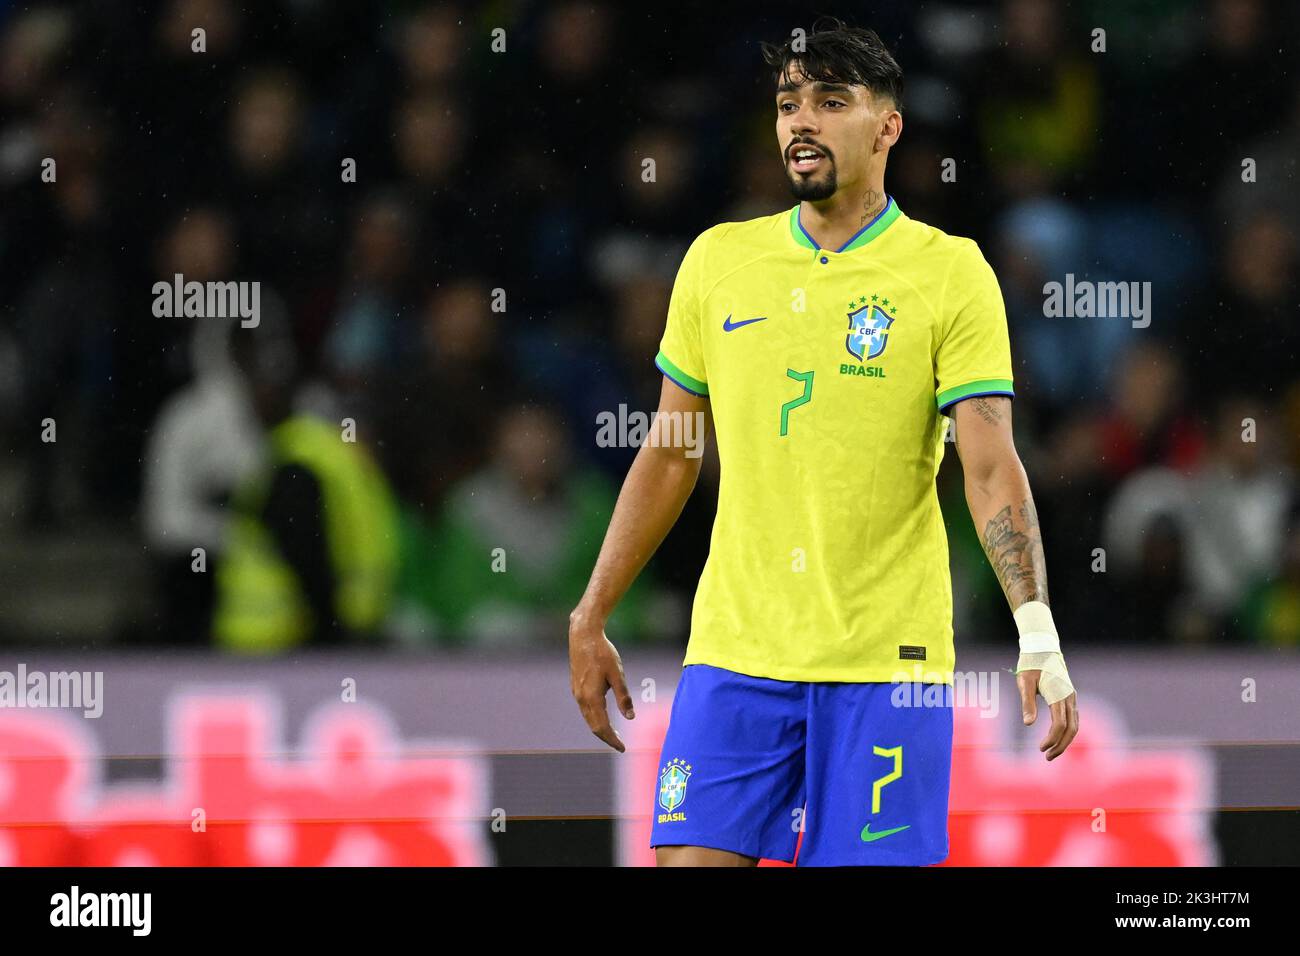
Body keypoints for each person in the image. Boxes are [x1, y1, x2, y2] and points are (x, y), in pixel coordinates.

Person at [567, 18, 1079, 867]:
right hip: (736, 650)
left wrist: (1037, 629)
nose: (800, 121)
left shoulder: (949, 272)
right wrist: (592, 612)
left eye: (830, 101)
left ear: (889, 127)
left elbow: (988, 465)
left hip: (890, 665)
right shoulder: (717, 261)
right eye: (787, 103)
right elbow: (669, 451)